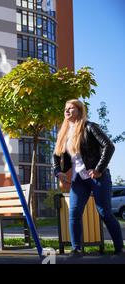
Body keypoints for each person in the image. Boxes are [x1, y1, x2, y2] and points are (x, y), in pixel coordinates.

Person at [53, 99, 123, 257]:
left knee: (104, 212)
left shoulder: (89, 127)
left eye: (71, 108)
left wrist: (99, 169)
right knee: (75, 212)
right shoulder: (64, 132)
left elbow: (109, 146)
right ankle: (76, 249)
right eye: (66, 109)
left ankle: (119, 249)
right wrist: (58, 171)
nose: (67, 111)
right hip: (79, 180)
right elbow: (56, 155)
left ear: (79, 111)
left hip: (98, 177)